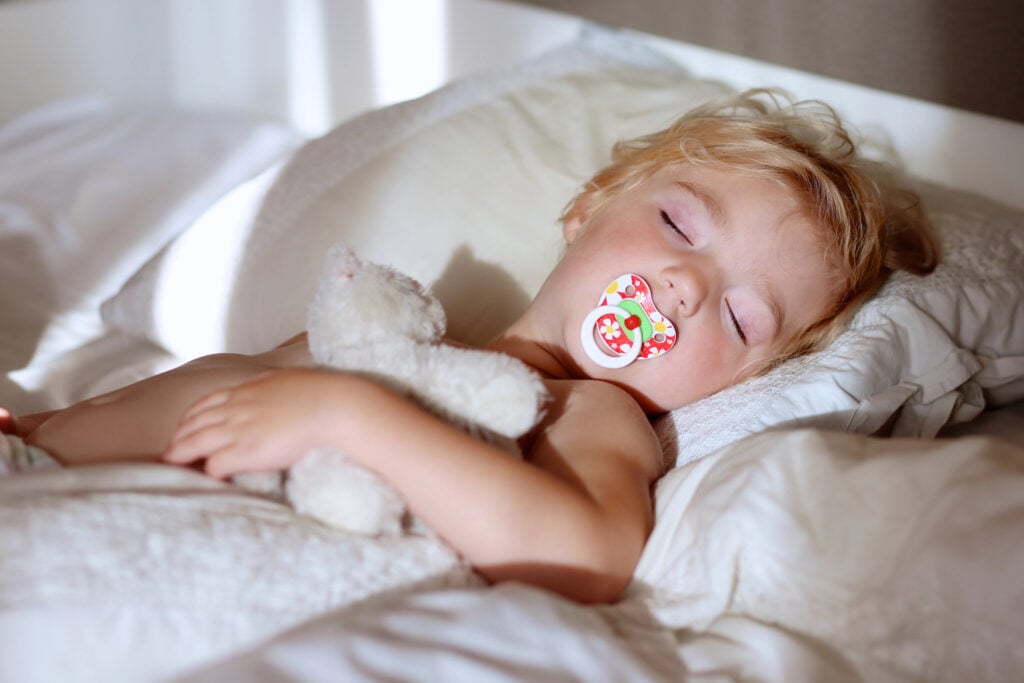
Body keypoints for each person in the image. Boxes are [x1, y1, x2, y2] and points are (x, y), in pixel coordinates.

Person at [0, 89, 938, 604]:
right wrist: (53, 428)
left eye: (742, 320)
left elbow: (588, 548)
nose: (689, 287)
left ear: (745, 379)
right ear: (585, 212)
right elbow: (216, 389)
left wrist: (345, 413)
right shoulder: (408, 331)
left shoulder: (592, 413)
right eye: (680, 223)